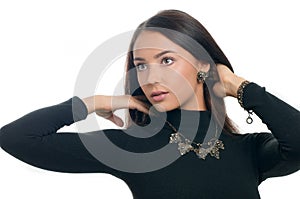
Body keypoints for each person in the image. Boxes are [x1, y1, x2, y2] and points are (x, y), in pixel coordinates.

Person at [0, 9, 299, 199]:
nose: (151, 76)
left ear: (204, 65)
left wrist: (239, 87)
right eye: (140, 65)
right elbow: (16, 138)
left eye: (166, 60)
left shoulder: (249, 151)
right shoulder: (133, 148)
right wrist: (94, 102)